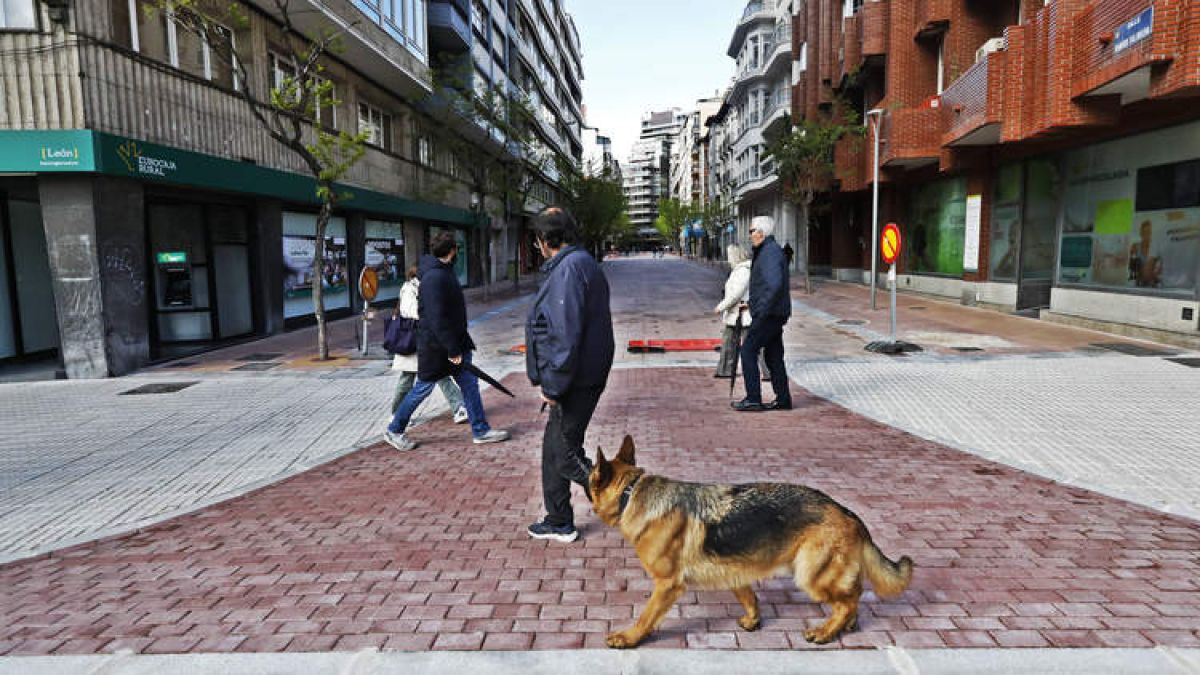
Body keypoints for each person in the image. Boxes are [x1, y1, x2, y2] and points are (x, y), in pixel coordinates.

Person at [525, 206, 614, 543]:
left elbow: (564, 334)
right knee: (554, 451)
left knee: (564, 455)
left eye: (537, 241)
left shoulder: (569, 270)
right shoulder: (578, 264)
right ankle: (559, 519)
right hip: (579, 376)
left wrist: (554, 384)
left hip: (574, 380)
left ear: (546, 240)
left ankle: (621, 499)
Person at [384, 232, 510, 451]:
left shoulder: (440, 273)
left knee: (469, 385)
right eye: (457, 249)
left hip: (450, 344)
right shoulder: (435, 277)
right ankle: (395, 429)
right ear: (452, 251)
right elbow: (436, 317)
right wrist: (452, 349)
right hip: (438, 348)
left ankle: (480, 429)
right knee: (422, 388)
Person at [388, 265, 468, 424]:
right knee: (407, 379)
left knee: (441, 373)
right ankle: (396, 413)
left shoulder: (426, 287)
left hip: (427, 339)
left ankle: (459, 407)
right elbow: (412, 311)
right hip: (412, 340)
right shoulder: (409, 288)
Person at [733, 215, 792, 412]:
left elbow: (773, 285)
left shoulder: (769, 252)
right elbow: (764, 285)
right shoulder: (768, 250)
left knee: (748, 350)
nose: (749, 235)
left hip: (769, 314)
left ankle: (753, 398)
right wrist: (751, 303)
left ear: (760, 233)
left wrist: (762, 309)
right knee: (774, 356)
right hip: (774, 313)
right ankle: (783, 399)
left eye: (751, 231)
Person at [713, 244, 769, 380]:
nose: (728, 258)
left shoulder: (743, 271)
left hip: (743, 315)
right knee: (728, 342)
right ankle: (725, 370)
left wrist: (720, 307)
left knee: (753, 345)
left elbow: (735, 294)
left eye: (729, 255)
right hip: (736, 314)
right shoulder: (738, 270)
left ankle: (768, 372)